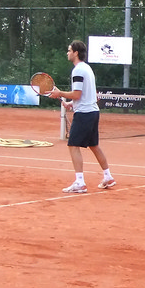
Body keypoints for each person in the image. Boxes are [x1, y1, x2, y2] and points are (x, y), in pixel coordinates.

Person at [48, 40, 115, 194]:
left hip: (84, 114)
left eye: (69, 50)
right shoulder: (87, 69)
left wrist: (59, 93)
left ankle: (80, 182)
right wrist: (71, 104)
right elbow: (87, 95)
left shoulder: (78, 70)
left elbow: (77, 94)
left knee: (73, 145)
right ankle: (108, 176)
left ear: (76, 53)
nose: (67, 53)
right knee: (94, 145)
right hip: (93, 112)